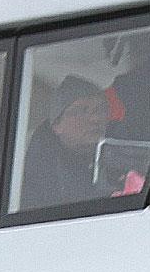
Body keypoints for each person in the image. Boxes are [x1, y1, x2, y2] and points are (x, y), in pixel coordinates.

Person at [20, 75, 111, 208]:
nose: (95, 118)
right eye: (81, 111)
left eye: (101, 110)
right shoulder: (32, 175)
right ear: (57, 125)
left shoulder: (123, 159)